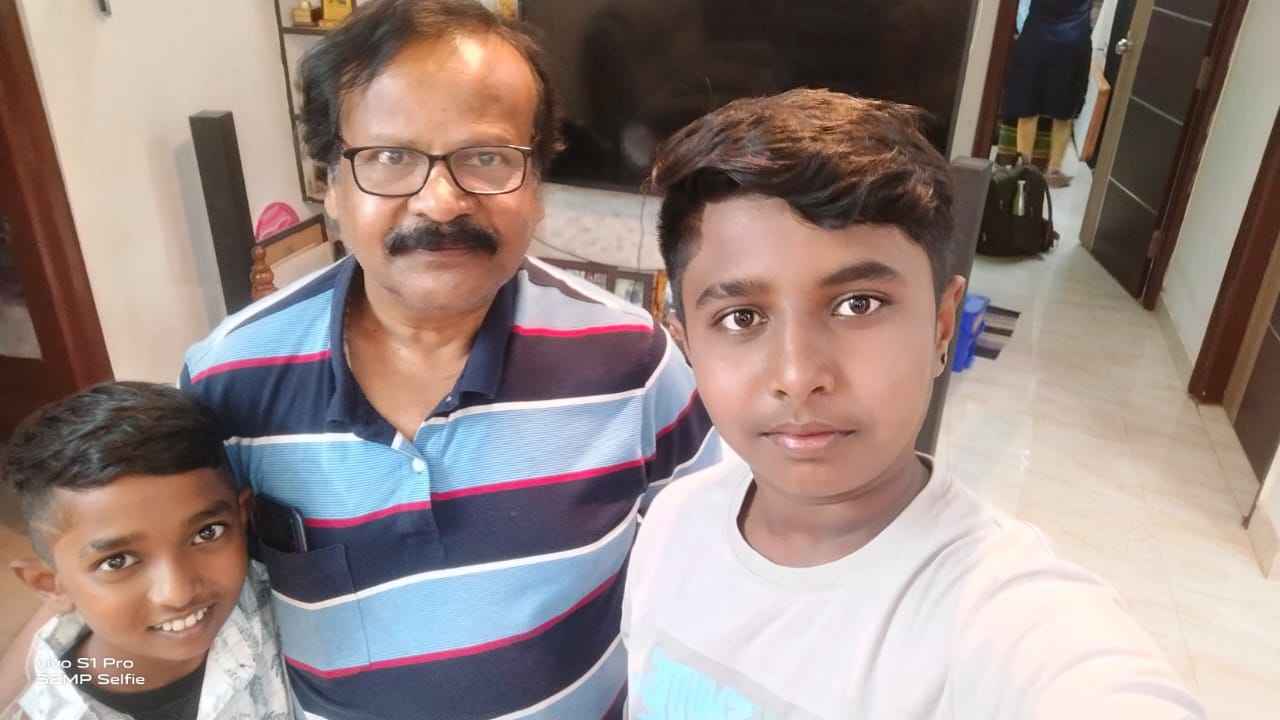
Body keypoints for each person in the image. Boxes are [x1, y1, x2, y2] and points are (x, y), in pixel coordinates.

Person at [180, 1, 717, 718]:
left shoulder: (632, 361)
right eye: (390, 158)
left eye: (487, 158)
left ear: (537, 184)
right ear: (331, 185)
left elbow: (716, 555)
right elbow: (173, 597)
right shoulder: (228, 379)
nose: (440, 202)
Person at [621, 89, 1206, 718]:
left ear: (942, 326)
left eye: (858, 304)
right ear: (686, 342)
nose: (798, 376)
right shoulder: (674, 523)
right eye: (741, 317)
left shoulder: (1002, 616)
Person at [1, 382, 292, 720]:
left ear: (242, 517)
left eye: (206, 533)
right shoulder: (53, 711)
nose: (179, 593)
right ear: (51, 585)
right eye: (117, 561)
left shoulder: (284, 599)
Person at [1003, 0, 1093, 187]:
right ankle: (1054, 170)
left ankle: (1024, 166)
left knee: (1027, 105)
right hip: (1073, 40)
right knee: (1064, 111)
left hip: (1036, 37)